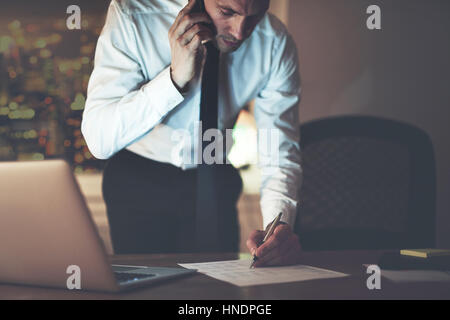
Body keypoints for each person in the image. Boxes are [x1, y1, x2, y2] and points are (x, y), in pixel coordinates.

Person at [82, 0, 302, 267]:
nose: (240, 32)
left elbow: (277, 150)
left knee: (215, 292)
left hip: (215, 179)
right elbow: (99, 139)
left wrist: (277, 227)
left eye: (255, 16)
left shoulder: (274, 42)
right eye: (227, 12)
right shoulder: (134, 16)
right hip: (137, 180)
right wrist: (174, 79)